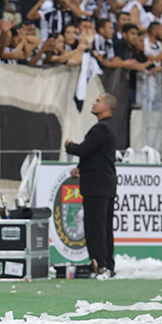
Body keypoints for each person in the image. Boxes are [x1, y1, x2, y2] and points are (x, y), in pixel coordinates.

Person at [65, 93, 118, 278]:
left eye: (98, 101)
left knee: (95, 227)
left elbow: (84, 149)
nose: (94, 103)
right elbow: (96, 155)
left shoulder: (101, 128)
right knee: (104, 227)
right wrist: (80, 168)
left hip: (97, 186)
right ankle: (106, 264)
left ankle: (100, 265)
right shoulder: (109, 127)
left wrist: (69, 146)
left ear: (107, 107)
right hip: (105, 184)